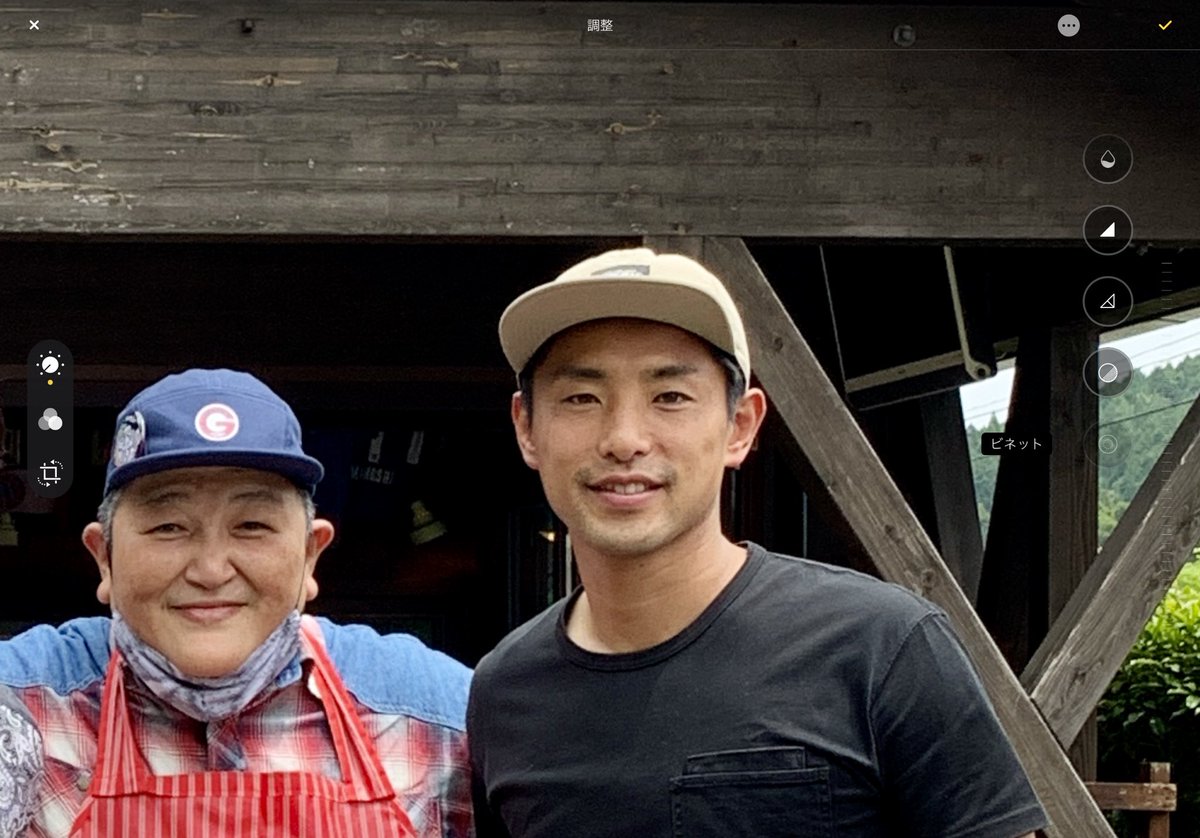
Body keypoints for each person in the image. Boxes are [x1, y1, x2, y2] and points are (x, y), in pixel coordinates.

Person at [468, 248, 1048, 837]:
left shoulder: (880, 647)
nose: (623, 439)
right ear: (526, 428)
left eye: (670, 396)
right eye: (581, 398)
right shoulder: (504, 690)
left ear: (740, 426)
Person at [0, 369, 473, 837]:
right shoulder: (25, 706)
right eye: (169, 526)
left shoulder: (438, 715)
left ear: (311, 555)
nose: (210, 570)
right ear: (104, 558)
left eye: (252, 526)